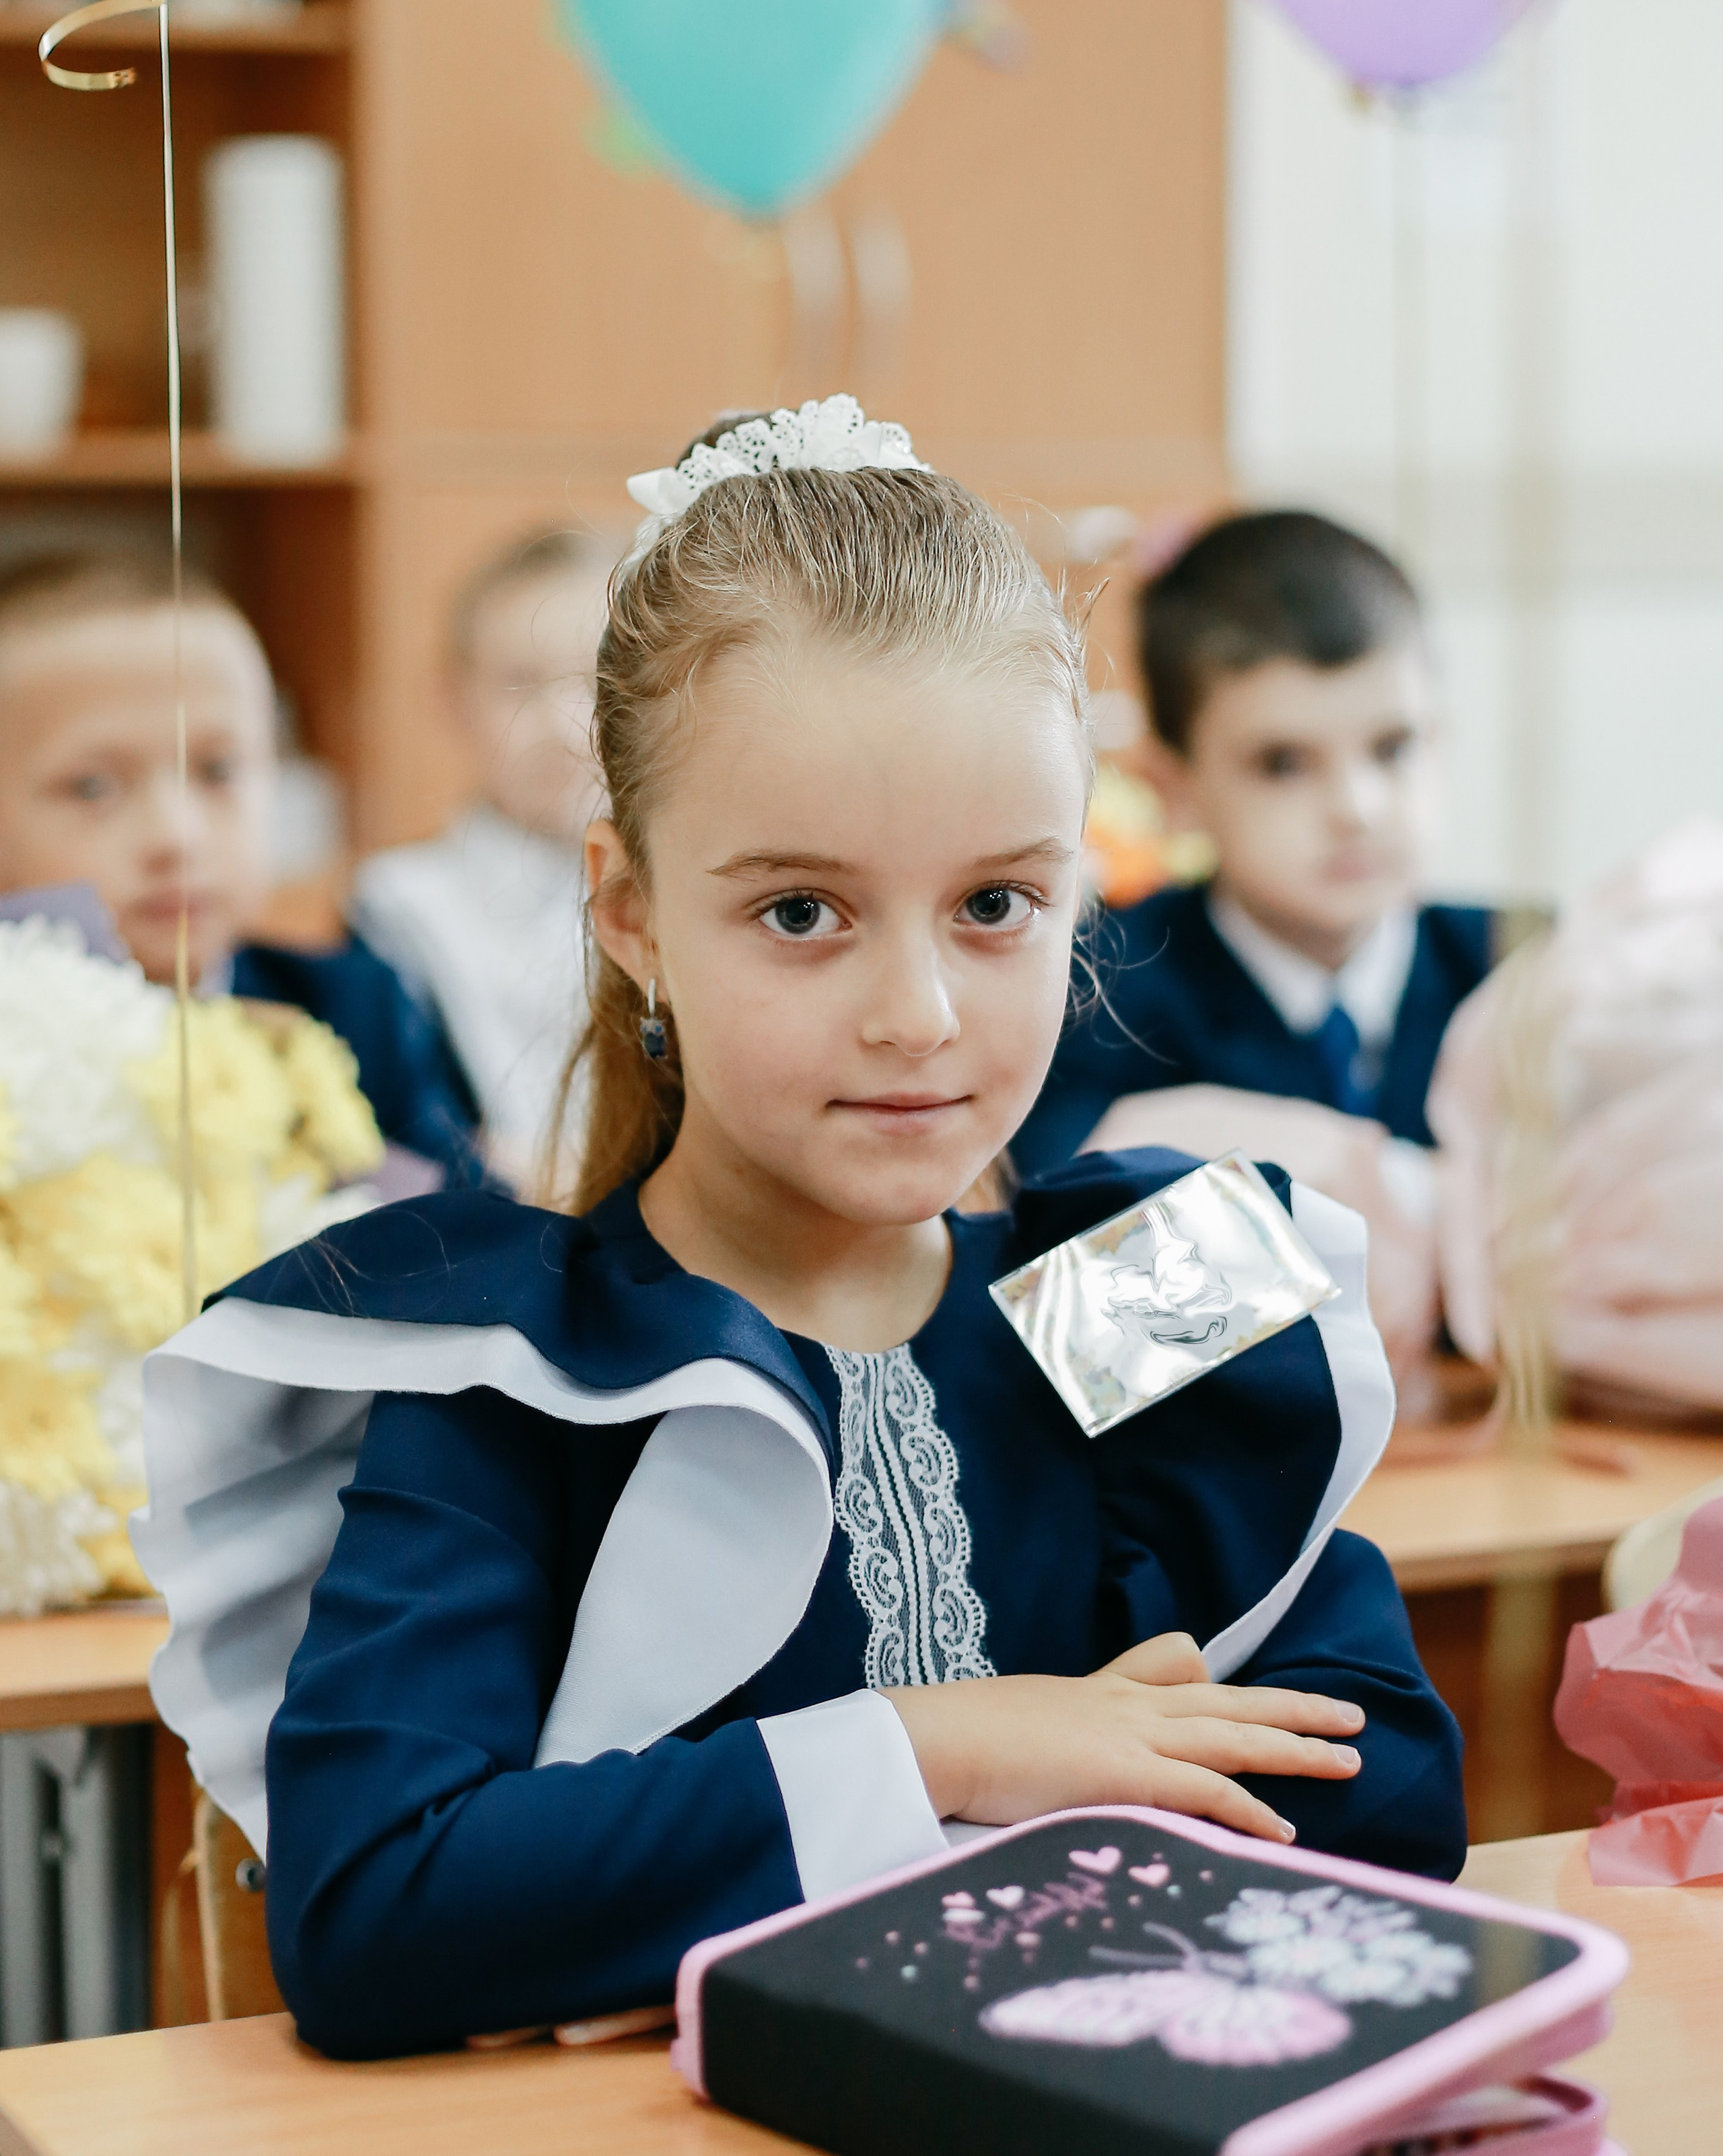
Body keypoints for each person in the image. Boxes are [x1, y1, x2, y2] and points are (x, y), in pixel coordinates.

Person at [133, 402, 1464, 2062]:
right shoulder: (514, 1362)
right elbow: (377, 1911)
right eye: (798, 911)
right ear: (628, 909)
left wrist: (648, 1887)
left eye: (995, 904)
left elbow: (1389, 1795)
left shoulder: (1135, 1287)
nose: (915, 1014)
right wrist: (945, 1749)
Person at [1013, 512, 1494, 1184]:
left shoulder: (1523, 973)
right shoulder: (1093, 1002)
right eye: (1282, 763)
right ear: (1174, 789)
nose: (1356, 809)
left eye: (1393, 748)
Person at [0, 548, 486, 1184]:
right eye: (93, 788)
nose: (177, 834)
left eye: (218, 770)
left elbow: (480, 1230)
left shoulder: (357, 1009)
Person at [349, 528, 610, 1187]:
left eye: (598, 677)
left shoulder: (692, 891)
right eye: (519, 684)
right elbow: (418, 1147)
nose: (562, 722)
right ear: (454, 698)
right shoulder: (399, 906)